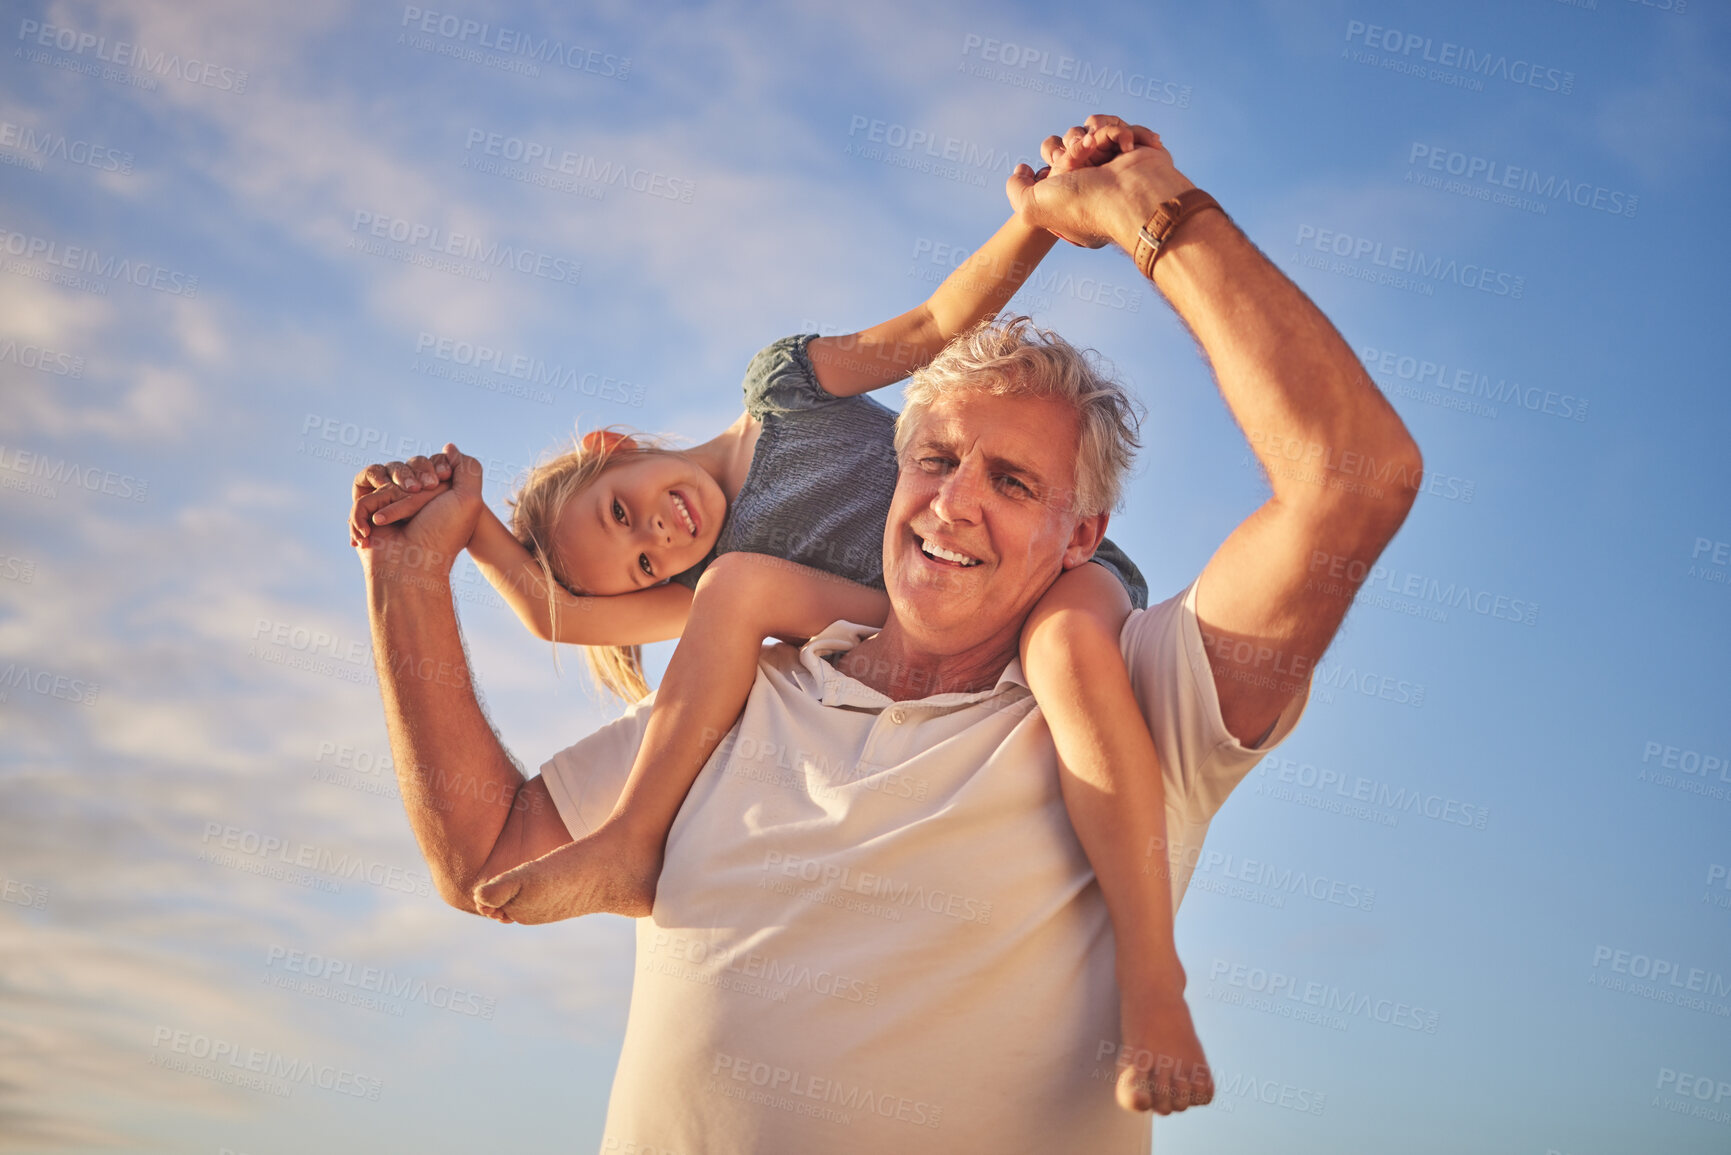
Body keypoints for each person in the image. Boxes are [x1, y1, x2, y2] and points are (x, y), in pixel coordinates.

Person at [351, 114, 1422, 1150]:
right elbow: (487, 853)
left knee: (1066, 648)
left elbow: (1351, 478)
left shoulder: (1143, 697)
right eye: (938, 461)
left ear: (1078, 531)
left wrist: (1138, 212)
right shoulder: (732, 684)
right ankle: (632, 845)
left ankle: (1158, 975)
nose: (955, 504)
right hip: (791, 659)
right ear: (898, 466)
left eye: (1011, 481)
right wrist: (417, 568)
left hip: (1078, 624)